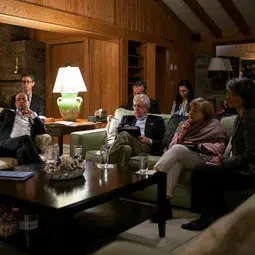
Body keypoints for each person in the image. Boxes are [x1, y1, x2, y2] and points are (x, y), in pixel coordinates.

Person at [181, 78, 255, 231]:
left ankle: (205, 218)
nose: (227, 98)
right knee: (204, 169)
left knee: (201, 171)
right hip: (238, 167)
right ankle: (215, 215)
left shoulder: (249, 118)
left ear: (244, 97)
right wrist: (225, 159)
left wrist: (226, 163)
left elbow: (251, 155)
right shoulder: (240, 118)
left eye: (232, 94)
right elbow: (238, 151)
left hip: (248, 173)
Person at [150, 97, 227, 223]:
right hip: (184, 156)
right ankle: (165, 207)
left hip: (203, 157)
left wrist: (201, 146)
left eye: (195, 111)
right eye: (191, 109)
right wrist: (182, 134)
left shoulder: (215, 125)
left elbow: (220, 146)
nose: (190, 113)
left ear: (204, 114)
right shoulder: (183, 124)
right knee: (175, 164)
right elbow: (171, 147)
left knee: (179, 149)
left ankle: (153, 174)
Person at [108, 94, 165, 166]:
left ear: (147, 107)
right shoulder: (126, 119)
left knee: (125, 134)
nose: (136, 108)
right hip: (129, 144)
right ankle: (121, 174)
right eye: (134, 106)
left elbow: (162, 142)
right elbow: (117, 137)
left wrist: (148, 140)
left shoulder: (157, 120)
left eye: (139, 106)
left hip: (145, 147)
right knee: (126, 149)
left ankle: (108, 161)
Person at [0, 92, 47, 165]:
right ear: (15, 104)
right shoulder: (8, 113)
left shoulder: (32, 117)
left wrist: (33, 114)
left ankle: (23, 175)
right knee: (26, 138)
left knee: (23, 152)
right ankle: (41, 165)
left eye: (23, 99)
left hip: (23, 147)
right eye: (18, 100)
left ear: (28, 103)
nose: (21, 101)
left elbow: (43, 130)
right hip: (7, 144)